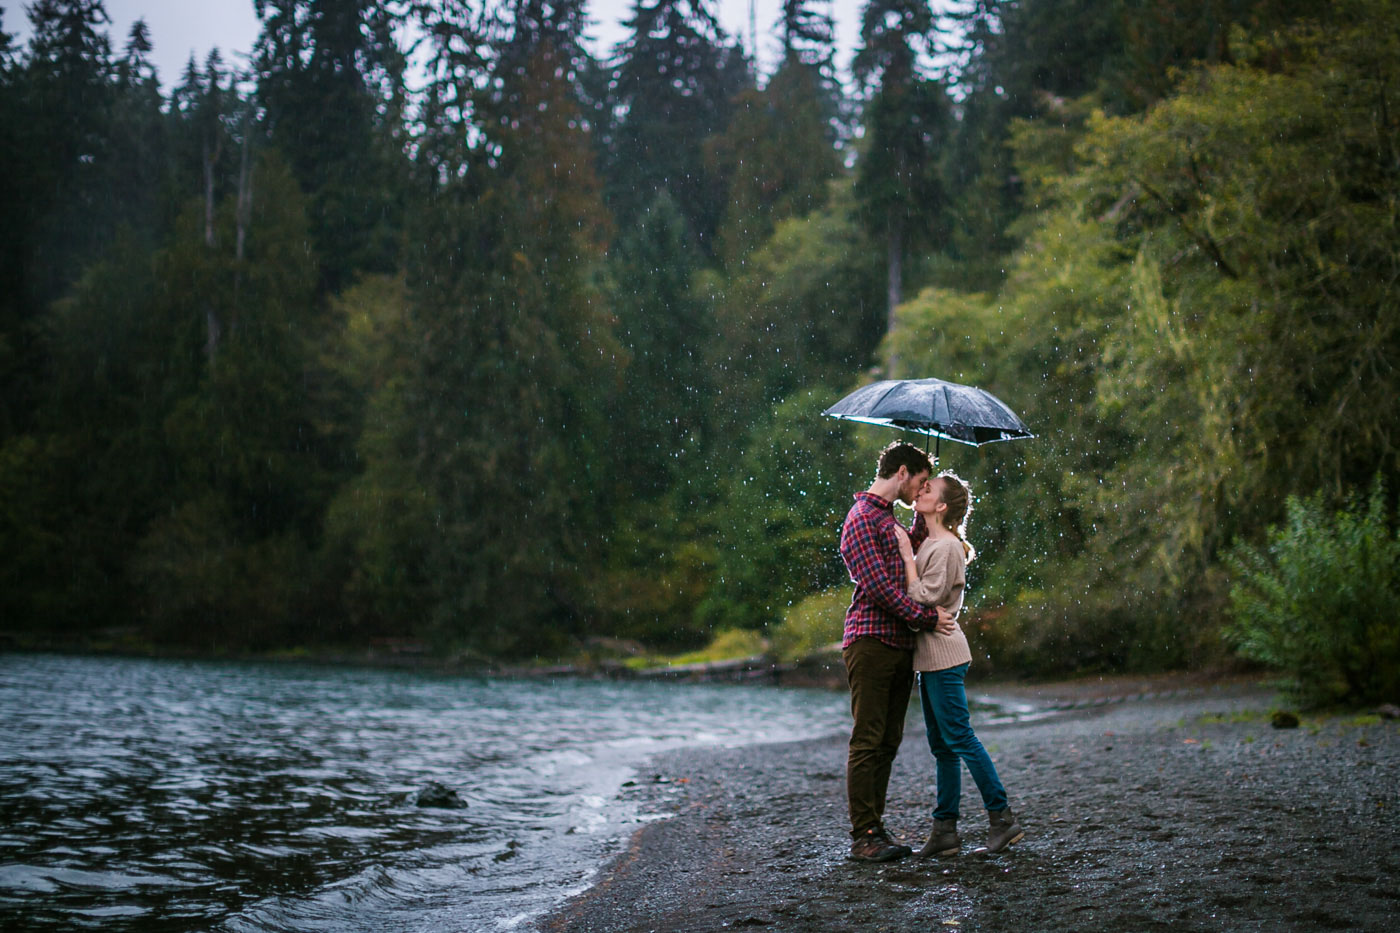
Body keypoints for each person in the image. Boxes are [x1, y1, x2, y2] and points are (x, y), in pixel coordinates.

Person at [894, 470, 1024, 857]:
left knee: (960, 738)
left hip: (945, 655)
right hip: (931, 656)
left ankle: (1002, 818)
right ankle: (945, 831)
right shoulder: (933, 542)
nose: (921, 490)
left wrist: (905, 558)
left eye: (928, 489)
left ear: (943, 506)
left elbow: (923, 599)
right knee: (943, 746)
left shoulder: (947, 547)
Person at [838, 441, 956, 862]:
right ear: (902, 472)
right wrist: (927, 620)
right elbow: (881, 590)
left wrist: (929, 512)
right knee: (868, 738)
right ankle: (863, 836)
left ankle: (876, 826)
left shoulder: (890, 520)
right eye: (921, 482)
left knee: (889, 739)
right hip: (870, 642)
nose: (919, 490)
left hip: (899, 645)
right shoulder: (861, 519)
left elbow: (910, 566)